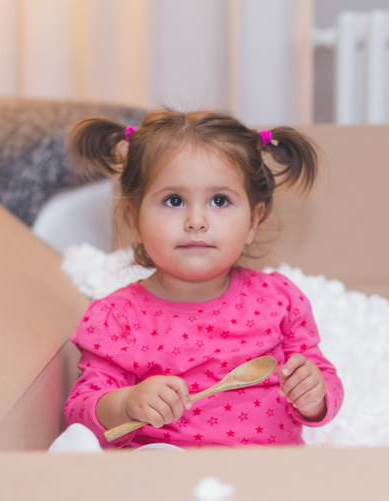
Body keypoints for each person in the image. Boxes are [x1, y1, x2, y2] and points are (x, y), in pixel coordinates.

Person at [63, 109, 343, 448]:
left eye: (220, 200)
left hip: (269, 474)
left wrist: (313, 395)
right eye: (174, 200)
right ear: (134, 220)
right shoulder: (118, 316)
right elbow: (79, 410)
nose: (196, 220)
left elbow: (322, 377)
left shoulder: (278, 300)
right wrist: (125, 403)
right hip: (167, 476)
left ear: (253, 221)